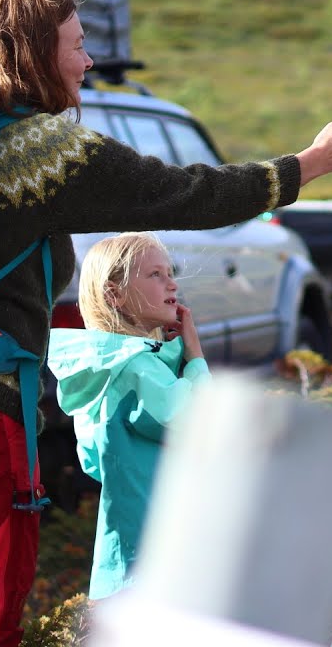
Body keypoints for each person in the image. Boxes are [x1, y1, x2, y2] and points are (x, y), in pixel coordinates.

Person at [0, 0, 332, 647]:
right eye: (77, 43)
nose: (88, 61)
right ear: (40, 53)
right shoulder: (38, 150)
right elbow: (188, 195)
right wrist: (312, 162)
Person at [46, 232, 206, 602]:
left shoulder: (113, 366)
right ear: (114, 294)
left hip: (131, 557)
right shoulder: (135, 367)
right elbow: (203, 423)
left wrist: (173, 358)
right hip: (161, 561)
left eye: (170, 272)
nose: (172, 282)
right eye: (154, 275)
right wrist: (194, 359)